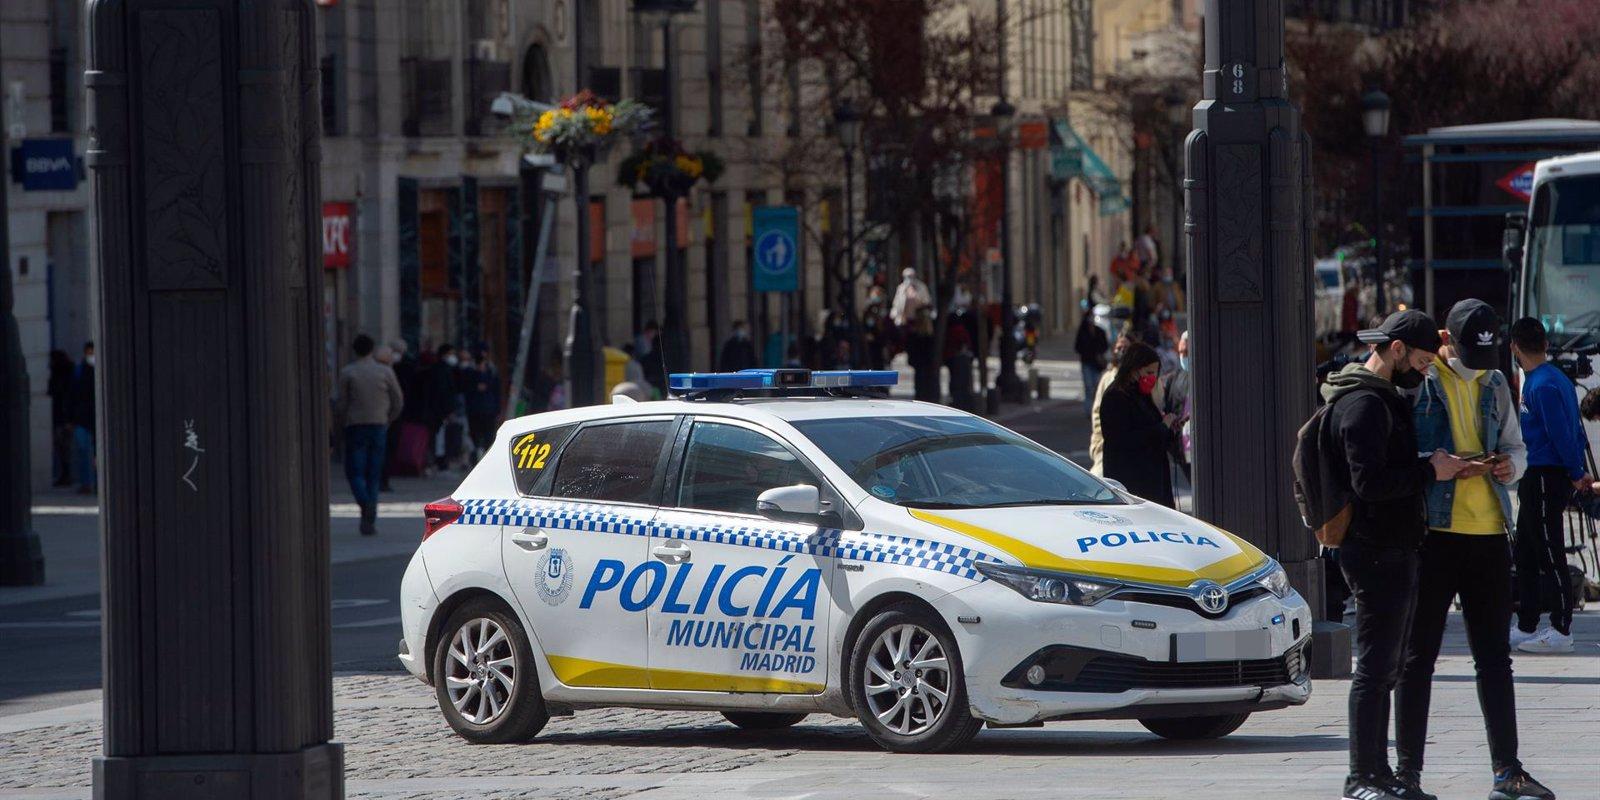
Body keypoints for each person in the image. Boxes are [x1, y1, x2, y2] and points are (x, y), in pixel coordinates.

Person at [1395, 300, 1553, 800]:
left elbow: (1517, 446)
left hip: (1489, 533)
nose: (1478, 367)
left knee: (1495, 659)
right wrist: (1437, 465)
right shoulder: (1420, 379)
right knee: (1417, 658)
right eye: (1470, 355)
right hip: (1433, 534)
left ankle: (1508, 771)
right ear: (1447, 340)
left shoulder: (1496, 381)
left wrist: (1509, 467)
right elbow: (1399, 454)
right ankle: (1407, 774)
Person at [1317, 310, 1469, 800]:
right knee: (1374, 668)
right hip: (1375, 550)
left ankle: (1380, 775)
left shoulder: (1379, 397)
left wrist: (1427, 465)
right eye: (1422, 361)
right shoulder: (1364, 405)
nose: (1424, 371)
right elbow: (1370, 484)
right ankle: (1361, 777)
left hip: (1392, 548)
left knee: (1386, 669)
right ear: (1397, 349)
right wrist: (1430, 472)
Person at [1510, 317, 1588, 656]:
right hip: (1537, 474)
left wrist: (1575, 470)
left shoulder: (1541, 385)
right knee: (1526, 551)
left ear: (1514, 347)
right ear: (1544, 343)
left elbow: (1560, 433)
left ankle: (1561, 627)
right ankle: (1527, 622)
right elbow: (1576, 429)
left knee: (1549, 550)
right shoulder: (1556, 378)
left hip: (1546, 473)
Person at [335, 334, 404, 535]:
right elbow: (398, 400)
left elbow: (341, 403)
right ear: (372, 350)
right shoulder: (385, 371)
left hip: (355, 425)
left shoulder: (348, 372)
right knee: (373, 473)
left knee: (355, 472)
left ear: (354, 350)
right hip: (379, 425)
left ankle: (365, 504)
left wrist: (341, 423)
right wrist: (388, 418)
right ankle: (369, 516)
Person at [1098, 342, 1178, 507]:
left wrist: (1169, 428)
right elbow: (1123, 440)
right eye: (1148, 372)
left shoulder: (1141, 394)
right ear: (1134, 370)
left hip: (1152, 482)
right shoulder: (1116, 396)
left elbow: (1153, 428)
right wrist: (1162, 427)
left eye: (1155, 373)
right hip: (1132, 484)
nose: (1152, 378)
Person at [1088, 332, 1133, 475]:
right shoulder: (1107, 378)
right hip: (1106, 446)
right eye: (1119, 348)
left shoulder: (1139, 377)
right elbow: (1097, 412)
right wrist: (1098, 442)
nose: (1122, 351)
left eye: (1126, 348)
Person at [1154, 330, 1193, 480]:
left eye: (1187, 352)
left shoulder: (1208, 375)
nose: (1184, 357)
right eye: (1181, 352)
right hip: (1182, 451)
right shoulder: (1174, 379)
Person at [67, 342, 97, 495]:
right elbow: (72, 396)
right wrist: (71, 419)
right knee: (83, 452)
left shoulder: (100, 370)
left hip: (96, 418)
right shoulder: (79, 371)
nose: (91, 356)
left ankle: (98, 484)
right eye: (89, 353)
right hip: (81, 418)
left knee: (98, 454)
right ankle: (86, 483)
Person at [463, 345, 500, 461]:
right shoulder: (470, 372)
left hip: (488, 410)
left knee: (488, 435)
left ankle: (487, 456)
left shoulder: (491, 372)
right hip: (475, 410)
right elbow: (466, 389)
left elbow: (496, 390)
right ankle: (475, 456)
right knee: (475, 434)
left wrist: (497, 409)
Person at [47, 349, 75, 487]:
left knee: (64, 447)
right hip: (62, 417)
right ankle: (65, 475)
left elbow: (62, 395)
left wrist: (69, 420)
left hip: (63, 417)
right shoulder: (64, 374)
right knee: (63, 448)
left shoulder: (63, 375)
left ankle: (66, 475)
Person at [1074, 308, 1109, 412]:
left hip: (1097, 364)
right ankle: (1089, 409)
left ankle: (1096, 408)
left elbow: (1105, 346)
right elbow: (1077, 347)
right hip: (1086, 362)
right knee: (1088, 387)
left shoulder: (1099, 331)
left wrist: (1098, 353)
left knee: (1097, 386)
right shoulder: (1082, 331)